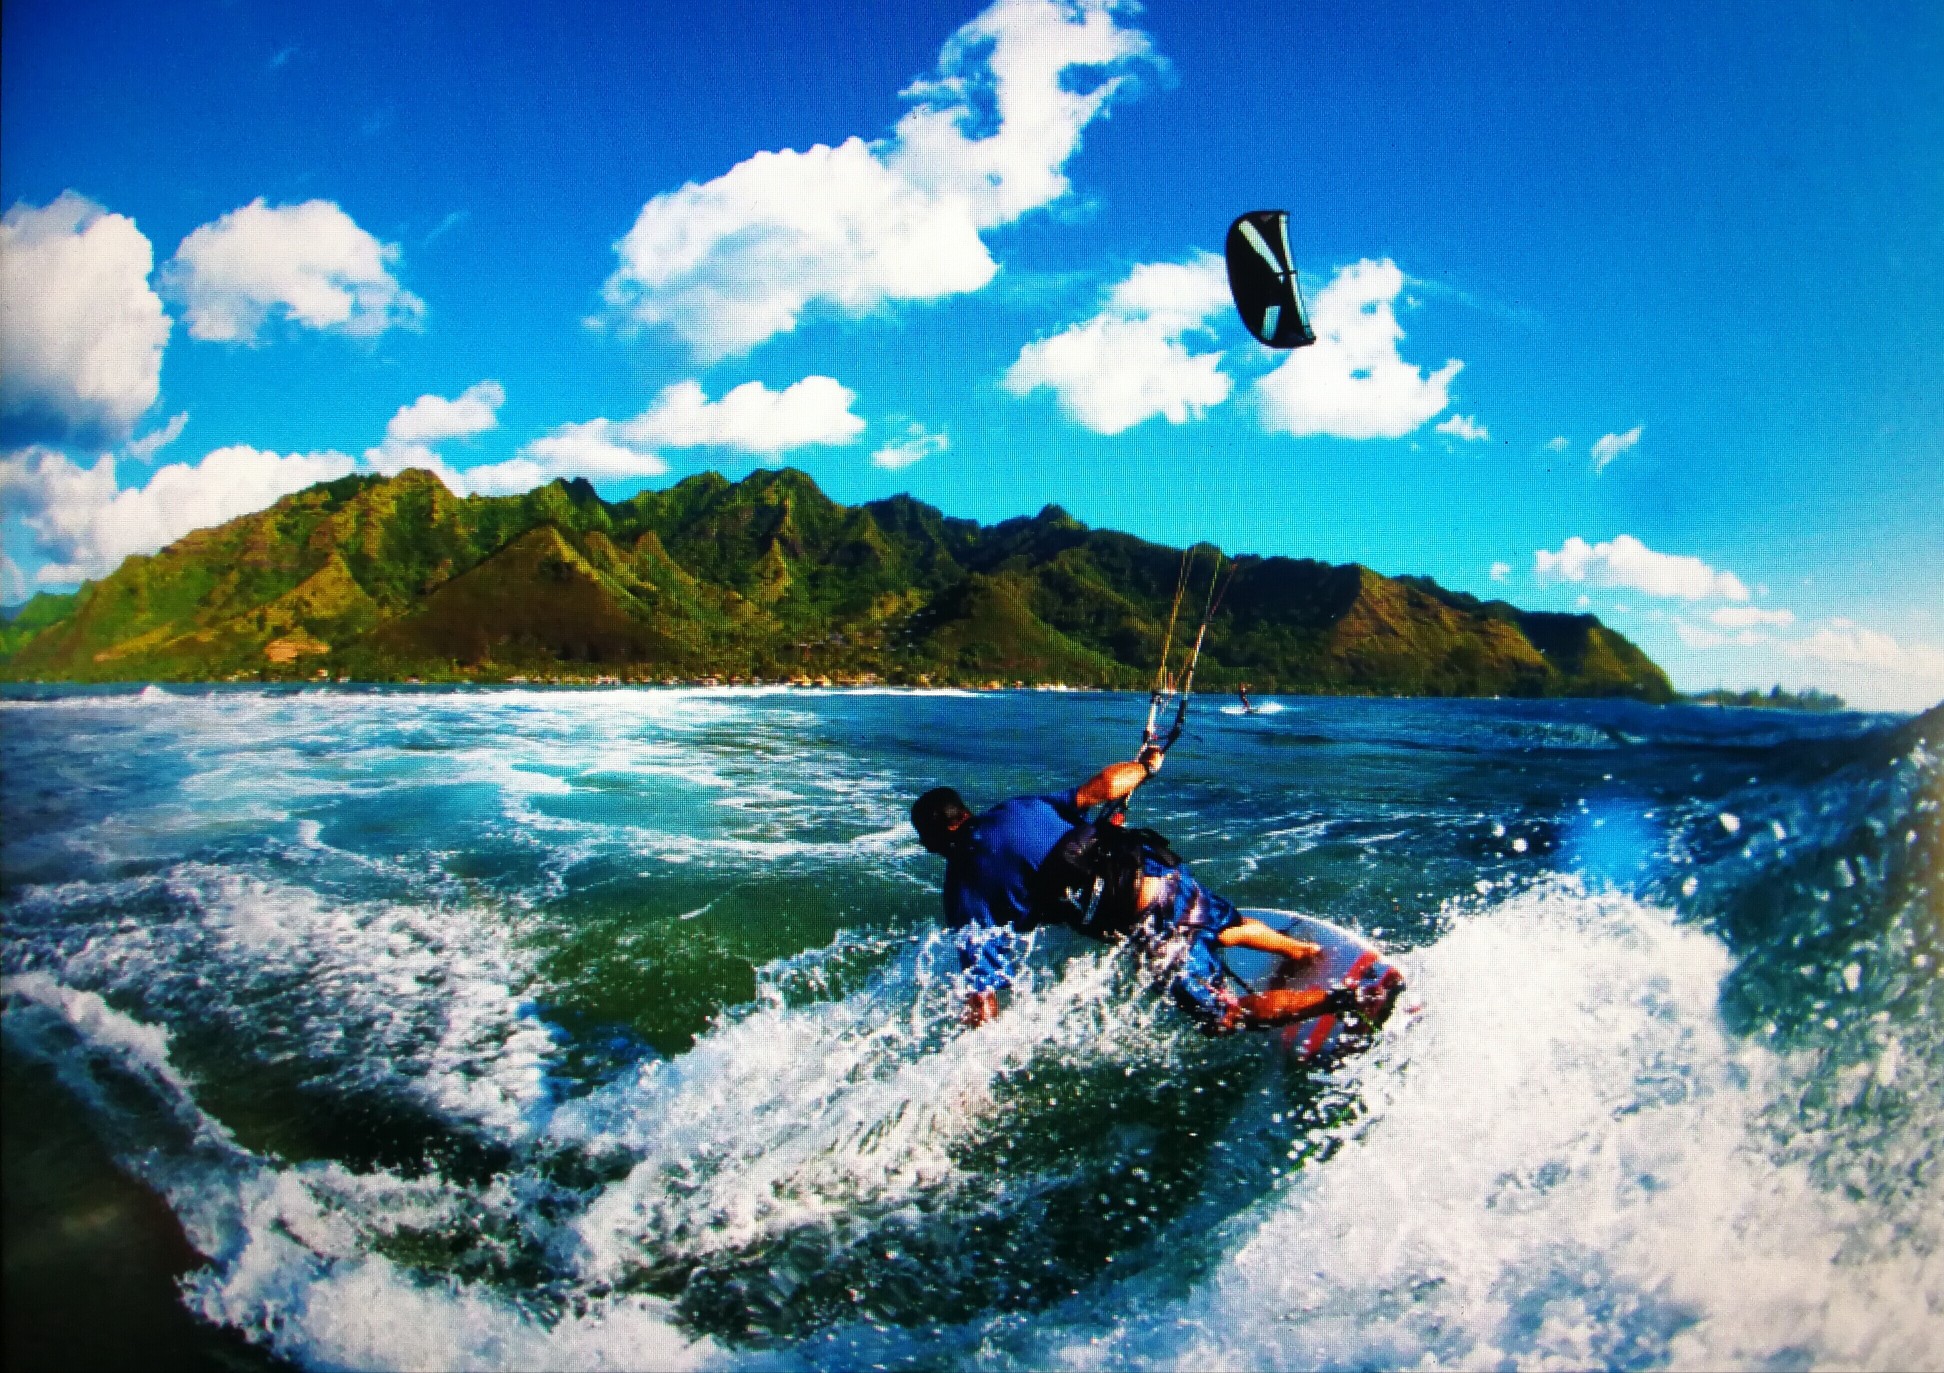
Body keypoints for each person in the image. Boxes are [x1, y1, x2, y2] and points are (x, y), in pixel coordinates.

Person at [910, 748, 1370, 1030]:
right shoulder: (1018, 808)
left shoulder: (963, 893)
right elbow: (1103, 786)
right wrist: (1146, 767)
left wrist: (976, 1056)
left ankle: (1345, 999)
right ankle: (1302, 952)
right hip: (1160, 872)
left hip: (1143, 920)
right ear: (964, 812)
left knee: (1224, 1017)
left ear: (935, 839)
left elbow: (981, 991)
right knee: (1217, 922)